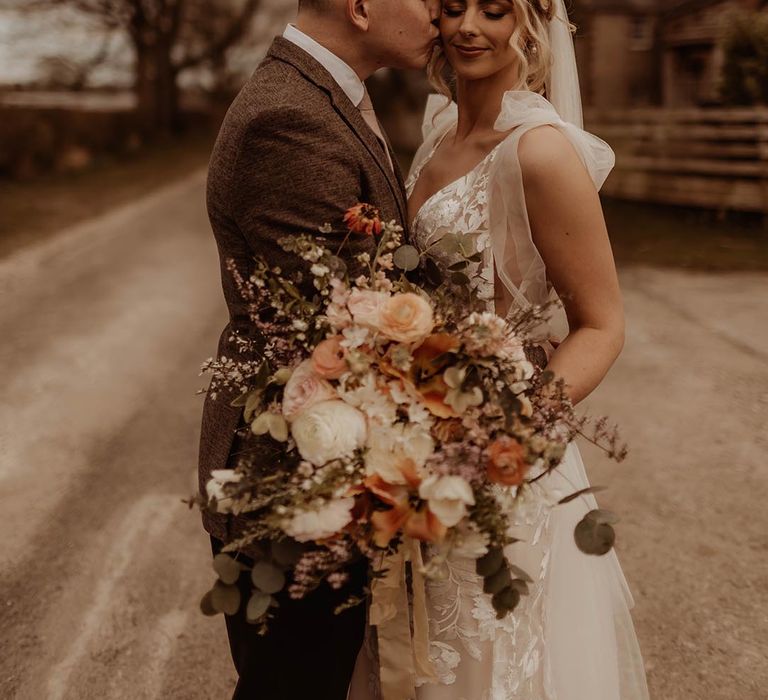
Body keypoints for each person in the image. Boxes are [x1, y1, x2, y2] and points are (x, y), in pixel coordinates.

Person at [349, 0, 650, 698]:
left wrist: (505, 430)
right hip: (415, 446)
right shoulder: (438, 135)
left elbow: (602, 324)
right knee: (411, 651)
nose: (467, 28)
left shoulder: (540, 151)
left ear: (533, 26)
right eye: (452, 8)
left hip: (494, 452)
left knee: (484, 660)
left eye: (493, 10)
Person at [198, 1, 439, 698]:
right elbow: (340, 328)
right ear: (362, 6)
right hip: (294, 471)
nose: (437, 9)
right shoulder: (288, 119)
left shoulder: (332, 94)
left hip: (329, 460)